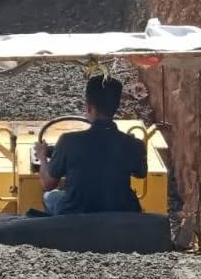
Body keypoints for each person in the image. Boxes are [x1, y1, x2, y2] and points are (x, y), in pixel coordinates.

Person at [34, 74, 147, 215]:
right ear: (116, 107)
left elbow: (48, 184)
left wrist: (42, 156)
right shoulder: (133, 144)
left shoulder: (68, 141)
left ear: (88, 107)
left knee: (49, 197)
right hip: (120, 214)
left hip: (75, 215)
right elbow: (141, 173)